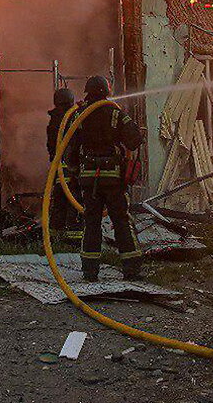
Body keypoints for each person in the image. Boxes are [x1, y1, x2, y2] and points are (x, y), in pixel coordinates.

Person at [66, 75, 144, 281]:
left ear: (88, 92)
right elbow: (134, 140)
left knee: (91, 223)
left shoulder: (80, 115)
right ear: (107, 91)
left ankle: (90, 272)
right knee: (120, 220)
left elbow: (70, 149)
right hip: (113, 178)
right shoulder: (116, 113)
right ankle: (131, 270)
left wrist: (75, 171)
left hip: (89, 180)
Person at [46, 87, 82, 242]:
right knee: (74, 203)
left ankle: (54, 238)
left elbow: (50, 147)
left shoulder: (54, 120)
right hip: (72, 170)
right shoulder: (73, 118)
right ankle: (74, 239)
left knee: (59, 204)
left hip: (58, 169)